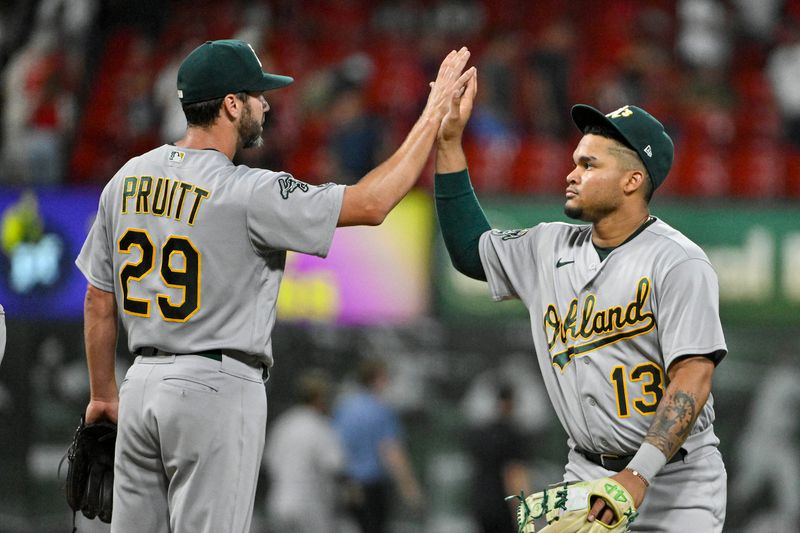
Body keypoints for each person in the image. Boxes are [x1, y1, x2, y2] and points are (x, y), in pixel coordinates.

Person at [75, 39, 473, 533]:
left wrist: (103, 395)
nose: (267, 104)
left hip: (138, 387)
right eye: (258, 95)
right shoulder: (246, 190)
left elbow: (97, 299)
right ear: (231, 104)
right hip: (215, 385)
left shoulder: (127, 178)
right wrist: (433, 115)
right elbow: (371, 204)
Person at [433, 72, 727, 532]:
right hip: (587, 474)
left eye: (589, 165)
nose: (572, 174)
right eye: (575, 162)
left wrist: (638, 473)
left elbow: (694, 375)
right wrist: (449, 142)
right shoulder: (547, 246)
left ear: (633, 180)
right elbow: (471, 250)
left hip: (675, 479)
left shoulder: (677, 261)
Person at [332, 357, 423, 533]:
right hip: (372, 486)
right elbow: (392, 451)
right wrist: (410, 488)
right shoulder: (381, 411)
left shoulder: (343, 408)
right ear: (377, 379)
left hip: (348, 485)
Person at [264, 369, 346, 533]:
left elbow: (269, 461)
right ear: (319, 398)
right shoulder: (321, 427)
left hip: (279, 502)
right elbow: (335, 466)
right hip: (310, 506)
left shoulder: (284, 423)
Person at [465, 384, 531, 533]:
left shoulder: (481, 434)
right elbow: (514, 474)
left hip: (481, 504)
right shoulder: (513, 435)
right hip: (504, 508)